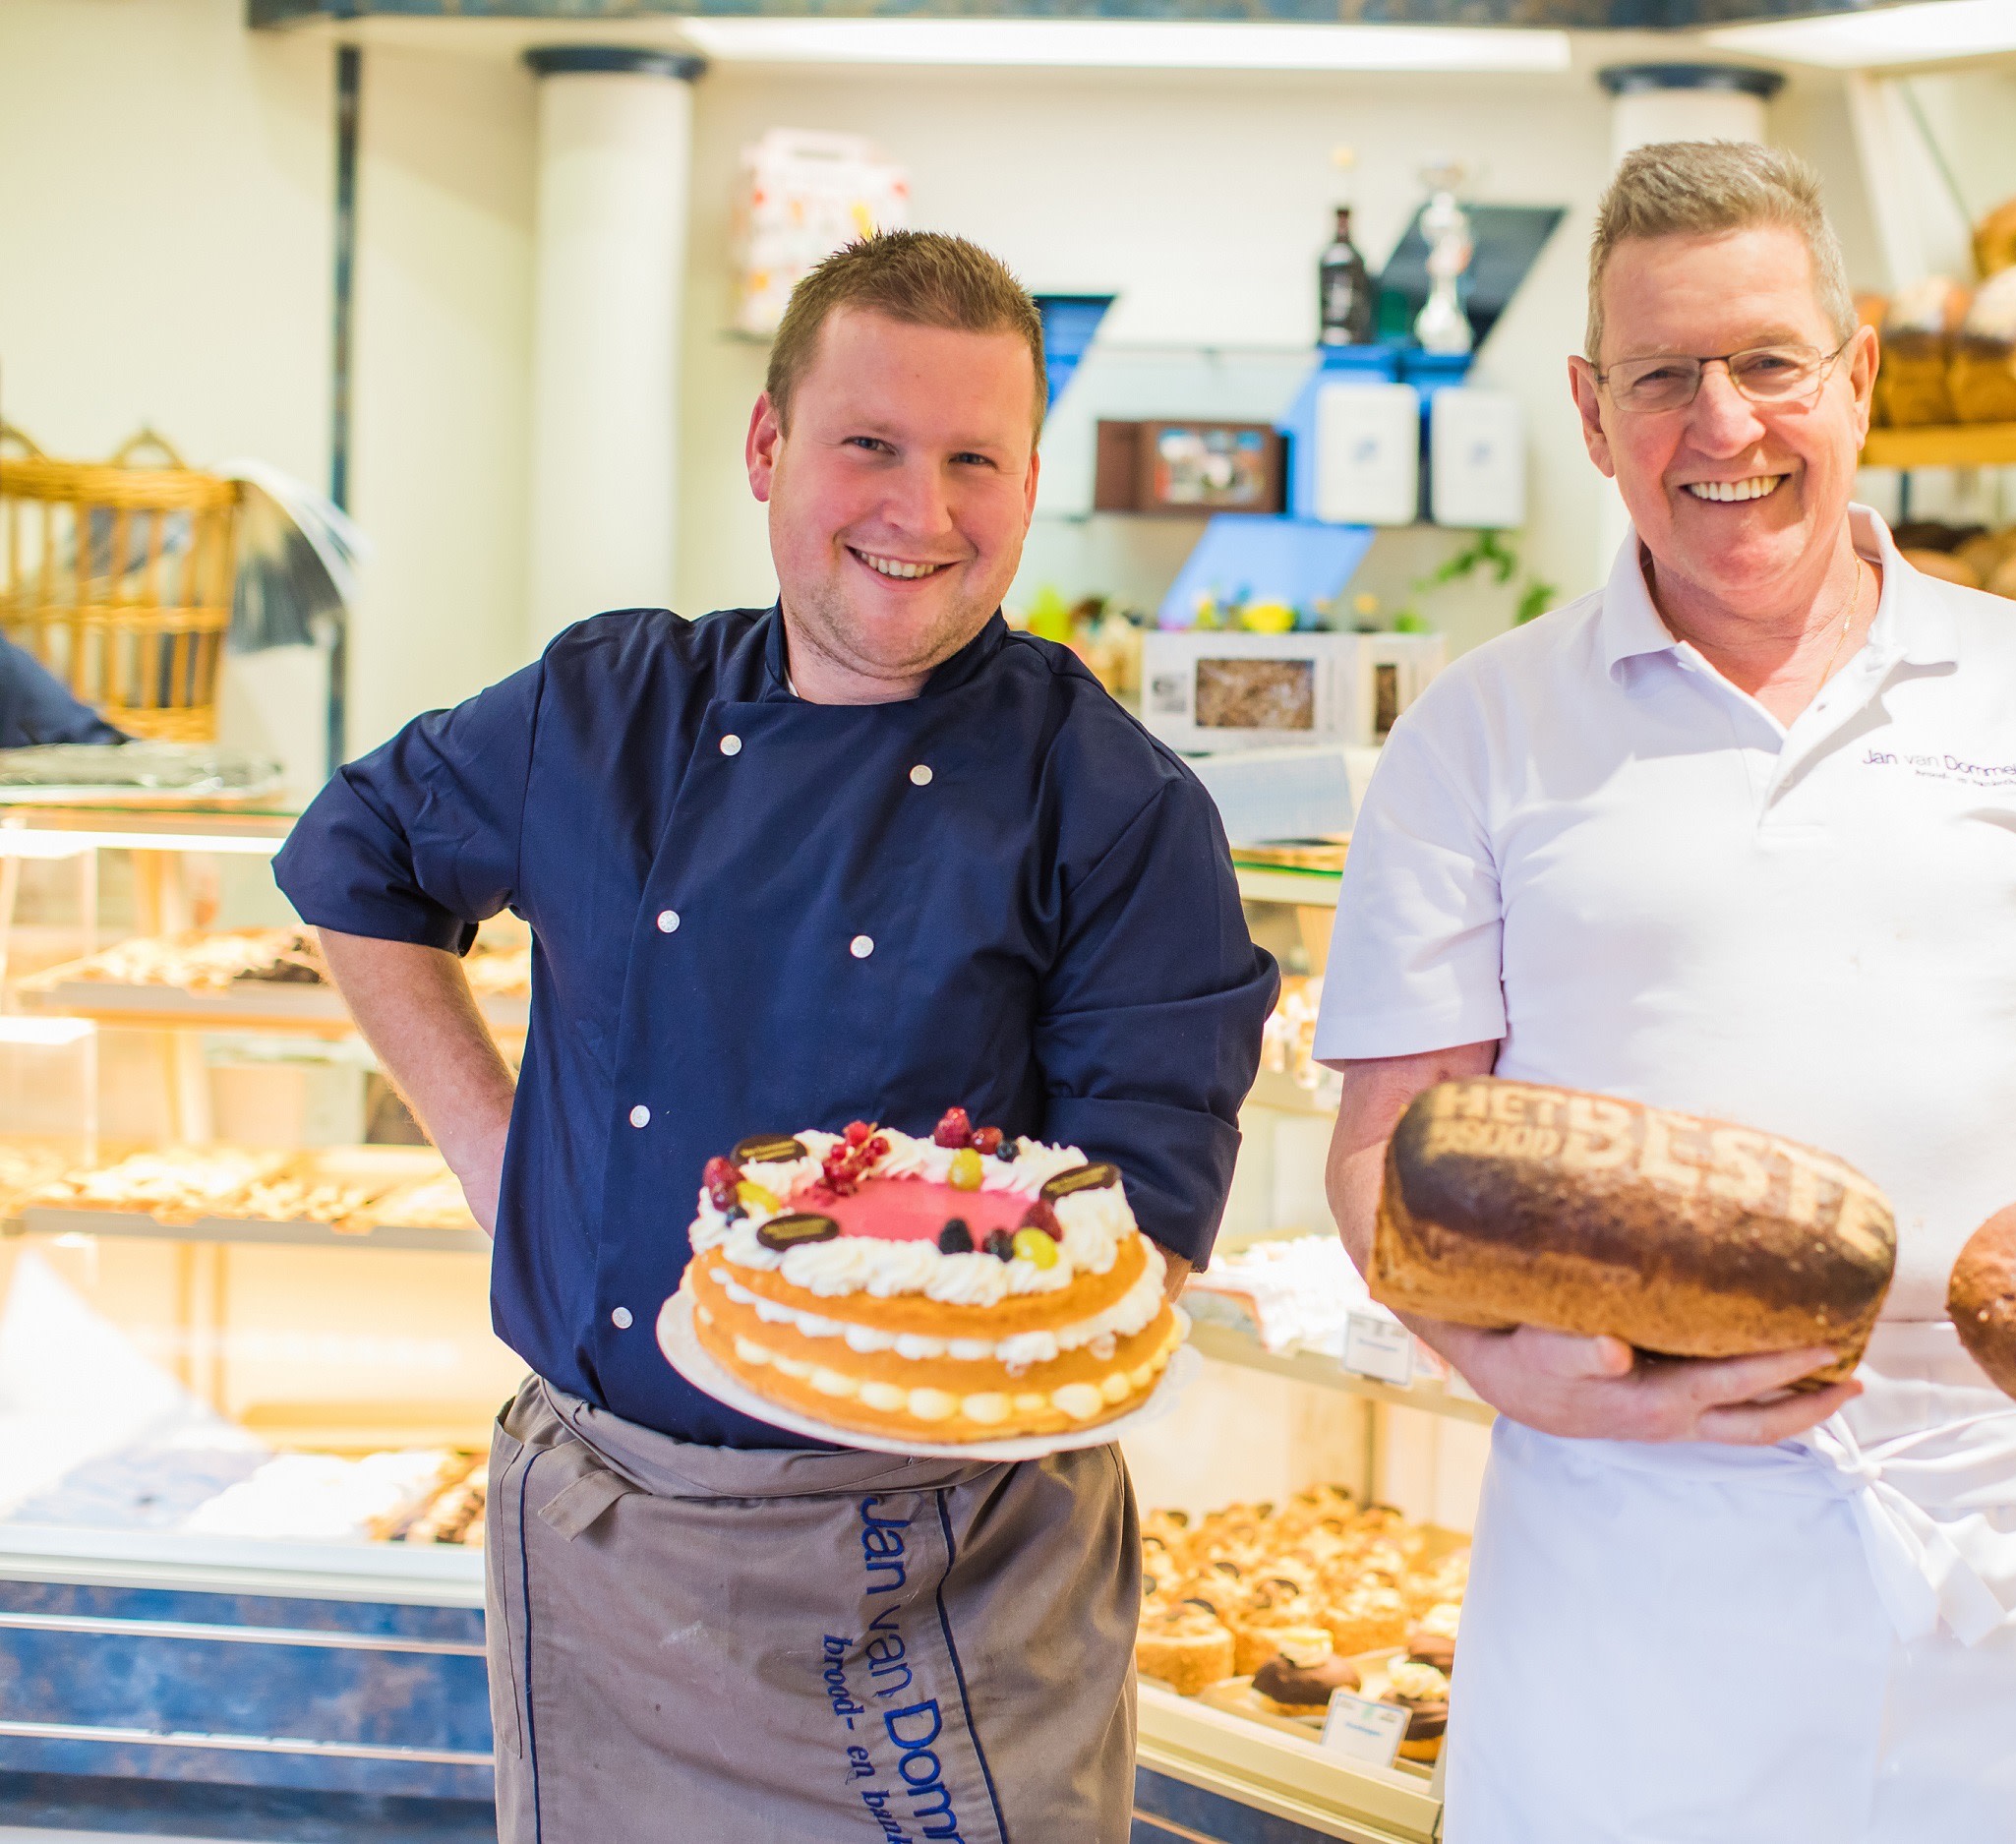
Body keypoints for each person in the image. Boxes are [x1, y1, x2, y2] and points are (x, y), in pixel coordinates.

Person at [273, 231, 1279, 1843]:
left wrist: (901, 1338)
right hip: (610, 1544)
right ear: (765, 448)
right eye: (867, 446)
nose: (920, 512)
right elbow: (351, 859)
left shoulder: (1119, 807)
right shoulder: (605, 707)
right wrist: (491, 1151)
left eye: (975, 462)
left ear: (1028, 486)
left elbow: (1135, 1245)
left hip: (950, 1580)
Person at [1316, 142, 2016, 1841]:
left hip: (2010, 1533)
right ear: (1594, 416)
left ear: (1857, 375)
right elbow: (1386, 1160)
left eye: (1765, 363)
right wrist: (1512, 1380)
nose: (1724, 427)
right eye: (1665, 377)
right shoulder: (1483, 726)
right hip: (1632, 1543)